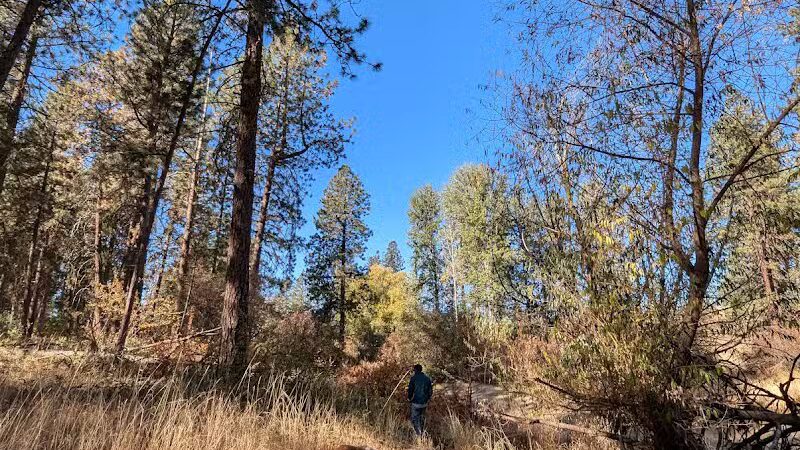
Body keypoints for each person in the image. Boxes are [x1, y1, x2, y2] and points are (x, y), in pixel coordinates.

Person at [407, 363, 432, 436]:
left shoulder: (413, 378)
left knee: (415, 419)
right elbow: (430, 391)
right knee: (422, 419)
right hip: (424, 403)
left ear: (415, 370)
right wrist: (428, 399)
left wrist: (409, 398)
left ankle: (418, 436)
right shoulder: (427, 378)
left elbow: (410, 390)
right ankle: (423, 434)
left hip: (416, 402)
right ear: (421, 370)